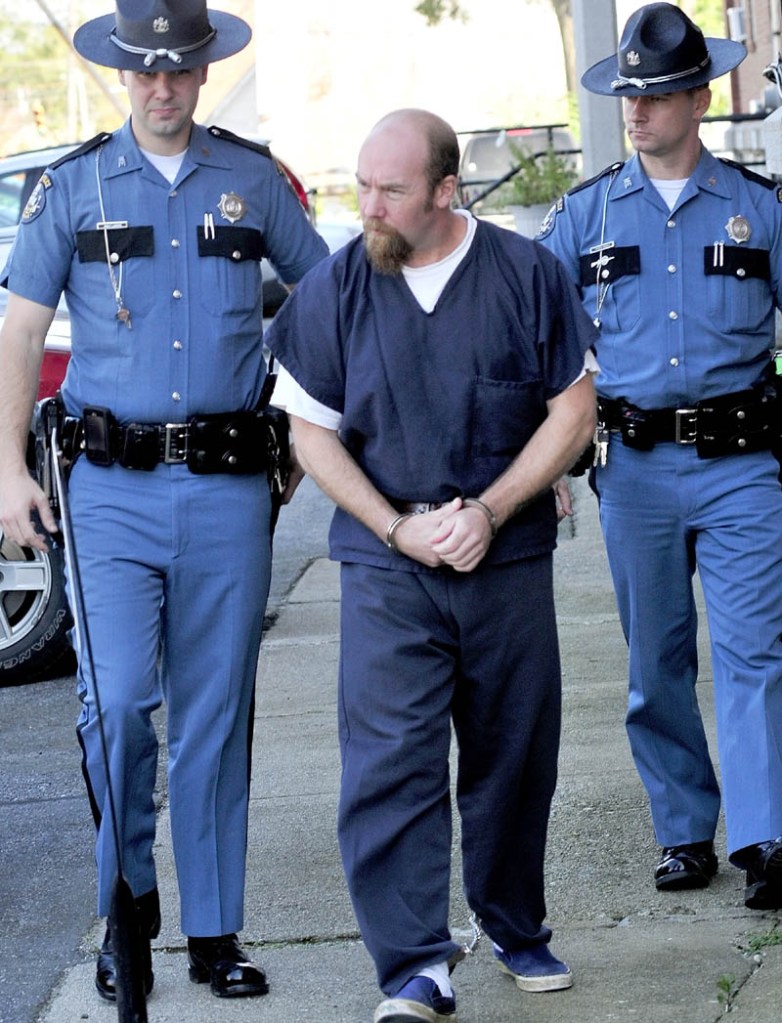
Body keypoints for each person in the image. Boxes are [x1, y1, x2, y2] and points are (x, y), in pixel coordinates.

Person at [0, 0, 327, 1004]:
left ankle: (212, 931)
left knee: (216, 717)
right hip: (108, 494)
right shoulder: (77, 185)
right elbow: (19, 329)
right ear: (122, 76)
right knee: (115, 710)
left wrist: (316, 434)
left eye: (178, 71)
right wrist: (6, 470)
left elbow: (326, 302)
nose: (161, 88)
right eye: (143, 72)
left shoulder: (250, 181)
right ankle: (125, 909)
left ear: (201, 72)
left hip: (229, 488)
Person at [264, 107, 597, 1023]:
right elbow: (310, 435)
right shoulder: (335, 289)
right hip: (388, 568)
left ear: (446, 190)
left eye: (392, 190)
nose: (369, 205)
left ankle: (514, 922)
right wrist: (395, 527)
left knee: (514, 752)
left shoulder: (526, 275)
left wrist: (492, 510)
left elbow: (573, 411)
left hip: (507, 556)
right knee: (388, 760)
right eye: (362, 185)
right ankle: (415, 965)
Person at [540, 2, 782, 909]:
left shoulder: (759, 212)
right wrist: (550, 459)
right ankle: (685, 832)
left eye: (655, 96)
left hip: (744, 465)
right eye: (628, 97)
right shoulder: (586, 213)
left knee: (758, 650)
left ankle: (767, 833)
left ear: (700, 95)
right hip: (634, 469)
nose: (635, 112)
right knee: (657, 658)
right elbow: (535, 332)